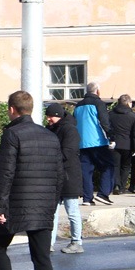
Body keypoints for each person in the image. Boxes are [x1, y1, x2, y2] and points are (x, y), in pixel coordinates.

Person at [0, 91, 65, 270]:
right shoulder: (50, 136)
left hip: (16, 204)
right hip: (43, 205)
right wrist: (52, 204)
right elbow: (59, 174)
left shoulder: (12, 134)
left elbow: (5, 173)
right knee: (42, 257)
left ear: (12, 109)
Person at [45, 102, 84, 254]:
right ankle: (49, 243)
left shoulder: (69, 130)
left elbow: (67, 152)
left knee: (72, 210)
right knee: (53, 212)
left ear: (57, 116)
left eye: (50, 116)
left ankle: (76, 242)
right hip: (56, 176)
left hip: (69, 177)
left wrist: (47, 158)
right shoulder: (51, 129)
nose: (48, 119)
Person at [73, 82, 115, 205]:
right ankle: (103, 194)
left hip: (82, 143)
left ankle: (87, 198)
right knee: (109, 166)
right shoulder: (99, 103)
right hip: (97, 141)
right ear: (97, 91)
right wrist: (111, 136)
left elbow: (74, 122)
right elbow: (104, 121)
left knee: (86, 170)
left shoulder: (78, 105)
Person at [107, 94, 135, 195]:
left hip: (114, 143)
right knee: (126, 166)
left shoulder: (111, 114)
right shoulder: (133, 116)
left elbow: (107, 128)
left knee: (115, 165)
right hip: (128, 144)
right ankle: (122, 187)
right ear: (128, 103)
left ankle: (116, 185)